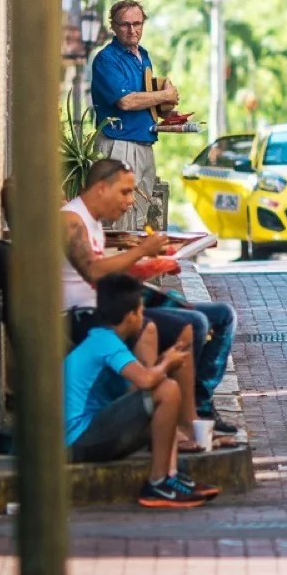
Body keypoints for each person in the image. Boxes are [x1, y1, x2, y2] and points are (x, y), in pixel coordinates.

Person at [61, 160, 241, 441]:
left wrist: (154, 265)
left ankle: (198, 408)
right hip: (85, 315)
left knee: (220, 315)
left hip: (111, 305)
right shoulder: (71, 219)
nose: (130, 202)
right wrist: (143, 249)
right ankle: (182, 421)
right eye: (124, 192)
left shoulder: (93, 222)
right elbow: (93, 270)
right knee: (193, 323)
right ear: (100, 188)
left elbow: (112, 271)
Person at [62, 277, 219, 508]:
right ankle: (158, 483)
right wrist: (166, 364)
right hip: (78, 441)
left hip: (88, 435)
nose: (144, 317)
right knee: (167, 389)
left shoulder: (102, 337)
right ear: (131, 316)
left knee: (164, 395)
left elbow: (137, 386)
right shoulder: (105, 342)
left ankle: (171, 476)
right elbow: (146, 381)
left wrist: (165, 361)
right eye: (141, 311)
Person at [90, 0, 179, 234]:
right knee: (118, 219)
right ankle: (115, 268)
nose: (132, 30)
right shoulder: (106, 59)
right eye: (125, 25)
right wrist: (163, 95)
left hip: (144, 143)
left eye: (137, 23)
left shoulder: (144, 56)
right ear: (114, 26)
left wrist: (167, 107)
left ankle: (133, 269)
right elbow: (126, 101)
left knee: (139, 218)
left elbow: (148, 99)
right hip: (119, 145)